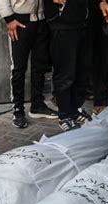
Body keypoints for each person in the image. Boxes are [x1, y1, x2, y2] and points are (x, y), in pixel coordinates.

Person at [0, 0, 58, 129]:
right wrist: (9, 19)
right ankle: (18, 109)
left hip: (41, 19)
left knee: (39, 66)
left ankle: (37, 106)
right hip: (20, 20)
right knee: (19, 67)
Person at [44, 0, 91, 131]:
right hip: (62, 26)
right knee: (65, 74)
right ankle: (64, 115)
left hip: (82, 23)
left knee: (81, 72)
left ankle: (75, 110)